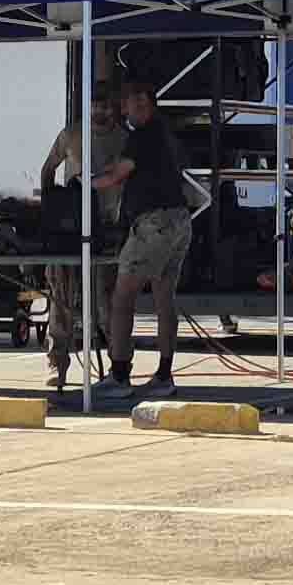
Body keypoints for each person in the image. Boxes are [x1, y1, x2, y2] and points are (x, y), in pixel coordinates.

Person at [91, 79, 194, 398]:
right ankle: (164, 375)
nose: (127, 112)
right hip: (179, 221)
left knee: (122, 297)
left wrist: (82, 183)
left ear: (145, 104)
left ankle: (120, 375)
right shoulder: (165, 134)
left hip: (154, 224)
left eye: (133, 105)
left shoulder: (143, 136)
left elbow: (116, 176)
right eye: (126, 106)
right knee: (164, 298)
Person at [37, 82, 127, 392]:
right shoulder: (71, 134)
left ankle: (117, 368)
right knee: (61, 298)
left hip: (108, 229)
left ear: (114, 107)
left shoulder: (124, 139)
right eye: (95, 105)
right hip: (70, 230)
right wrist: (51, 209)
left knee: (107, 302)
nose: (100, 111)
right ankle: (58, 363)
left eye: (105, 105)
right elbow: (48, 169)